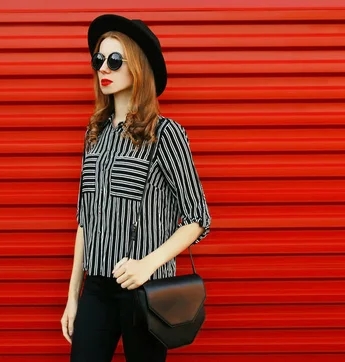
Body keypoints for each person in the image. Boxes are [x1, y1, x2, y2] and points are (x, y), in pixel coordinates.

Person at [61, 14, 212, 362]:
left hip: (146, 291)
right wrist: (72, 298)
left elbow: (197, 218)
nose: (104, 68)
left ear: (138, 68)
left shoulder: (166, 134)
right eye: (99, 59)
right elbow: (85, 220)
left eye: (115, 60)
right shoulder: (95, 134)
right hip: (96, 289)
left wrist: (146, 264)